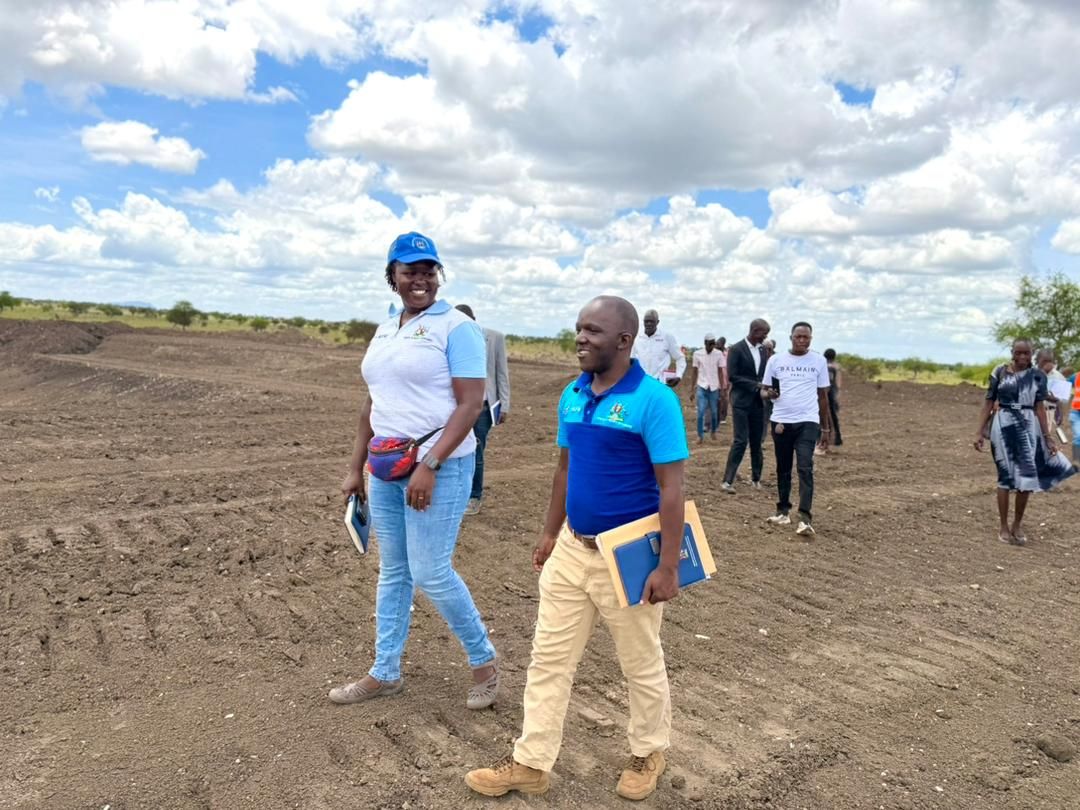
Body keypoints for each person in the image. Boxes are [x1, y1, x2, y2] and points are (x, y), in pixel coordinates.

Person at [465, 296, 689, 802]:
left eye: (593, 331)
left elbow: (672, 487)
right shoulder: (572, 394)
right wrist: (549, 533)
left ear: (625, 341)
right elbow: (564, 470)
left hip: (627, 557)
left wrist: (668, 565)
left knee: (639, 661)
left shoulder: (654, 401)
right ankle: (531, 762)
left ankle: (648, 750)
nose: (581, 338)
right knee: (548, 660)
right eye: (579, 329)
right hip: (571, 551)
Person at [331, 232, 498, 709]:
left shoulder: (456, 327)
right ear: (393, 277)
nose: (420, 279)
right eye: (410, 271)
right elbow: (372, 403)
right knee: (394, 571)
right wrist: (355, 468)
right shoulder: (386, 329)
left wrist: (431, 463)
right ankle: (385, 672)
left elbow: (470, 405)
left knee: (431, 571)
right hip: (385, 466)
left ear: (438, 276)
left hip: (439, 467)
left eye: (428, 270)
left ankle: (484, 661)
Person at [973, 339, 1077, 545]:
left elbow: (1039, 407)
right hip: (1003, 425)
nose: (1022, 357)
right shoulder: (1000, 372)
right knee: (1004, 475)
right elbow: (988, 402)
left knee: (1027, 478)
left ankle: (1017, 524)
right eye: (1018, 353)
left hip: (1029, 426)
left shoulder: (1038, 376)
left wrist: (1047, 437)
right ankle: (1003, 525)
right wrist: (979, 431)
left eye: (1026, 354)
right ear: (1011, 352)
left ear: (1032, 354)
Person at [762, 323, 832, 537]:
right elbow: (764, 391)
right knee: (783, 468)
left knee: (805, 467)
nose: (802, 340)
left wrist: (826, 427)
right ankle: (783, 512)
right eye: (798, 337)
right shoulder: (775, 361)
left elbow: (822, 396)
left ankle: (804, 518)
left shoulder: (819, 361)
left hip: (808, 421)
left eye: (806, 337)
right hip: (781, 421)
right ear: (790, 337)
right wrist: (769, 394)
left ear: (811, 338)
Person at [455, 304, 510, 516]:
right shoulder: (451, 338)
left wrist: (504, 404)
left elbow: (501, 372)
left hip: (484, 408)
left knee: (476, 450)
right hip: (457, 407)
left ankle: (474, 496)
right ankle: (458, 493)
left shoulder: (493, 338)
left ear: (474, 320)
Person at [721, 319, 771, 493]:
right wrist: (756, 386)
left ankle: (756, 479)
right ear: (755, 331)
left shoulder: (764, 350)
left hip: (758, 403)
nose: (766, 337)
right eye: (764, 333)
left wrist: (768, 388)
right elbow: (733, 376)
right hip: (741, 402)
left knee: (757, 442)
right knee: (740, 441)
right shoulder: (736, 349)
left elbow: (764, 375)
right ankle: (727, 481)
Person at [631, 308, 685, 388]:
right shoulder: (637, 338)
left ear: (657, 322)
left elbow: (680, 357)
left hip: (661, 383)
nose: (649, 324)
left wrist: (678, 376)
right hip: (641, 382)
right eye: (646, 321)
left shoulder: (666, 337)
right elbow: (631, 360)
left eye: (651, 321)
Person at [690, 333, 727, 443]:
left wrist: (722, 388)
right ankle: (700, 436)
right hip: (702, 386)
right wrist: (692, 389)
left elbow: (720, 372)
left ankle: (713, 432)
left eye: (713, 344)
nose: (712, 346)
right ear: (705, 343)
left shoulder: (719, 354)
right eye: (710, 344)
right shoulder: (697, 354)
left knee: (715, 412)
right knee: (701, 412)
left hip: (714, 387)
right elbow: (694, 372)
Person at [1036, 348, 1066, 434]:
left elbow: (1062, 400)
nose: (1048, 364)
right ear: (1038, 360)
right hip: (1034, 412)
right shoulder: (1031, 374)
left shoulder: (1059, 377)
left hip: (1050, 413)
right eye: (1044, 361)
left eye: (1050, 361)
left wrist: (1060, 413)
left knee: (1047, 441)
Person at [823, 348, 843, 449]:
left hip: (823, 394)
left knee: (822, 417)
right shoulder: (836, 367)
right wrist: (837, 393)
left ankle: (822, 439)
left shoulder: (822, 366)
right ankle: (837, 439)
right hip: (832, 394)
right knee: (833, 417)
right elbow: (838, 383)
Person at [715, 336, 730, 424]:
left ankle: (722, 417)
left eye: (718, 344)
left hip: (724, 380)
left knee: (724, 398)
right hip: (714, 380)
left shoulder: (727, 354)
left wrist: (729, 381)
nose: (716, 346)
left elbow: (729, 368)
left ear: (723, 344)